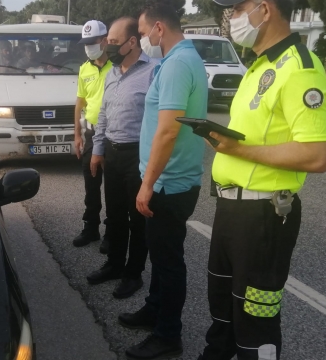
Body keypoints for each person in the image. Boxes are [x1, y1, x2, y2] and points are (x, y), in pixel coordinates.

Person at [199, 1, 326, 359]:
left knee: (255, 324)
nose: (233, 17)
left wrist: (237, 151)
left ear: (264, 8)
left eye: (238, 7)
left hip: (263, 217)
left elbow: (317, 155)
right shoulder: (260, 65)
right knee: (222, 313)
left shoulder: (300, 69)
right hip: (231, 210)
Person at [118, 2, 208, 359]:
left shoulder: (177, 65)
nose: (142, 40)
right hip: (169, 180)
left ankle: (168, 335)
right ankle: (154, 309)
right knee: (160, 254)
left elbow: (168, 131)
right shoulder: (181, 59)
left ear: (158, 28)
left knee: (169, 262)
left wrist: (147, 183)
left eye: (141, 34)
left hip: (168, 184)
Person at [87, 17, 157, 299]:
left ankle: (133, 274)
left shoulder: (154, 72)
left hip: (137, 155)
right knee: (114, 214)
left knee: (136, 218)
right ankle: (114, 264)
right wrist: (97, 149)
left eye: (113, 42)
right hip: (112, 154)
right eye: (107, 42)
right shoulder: (113, 73)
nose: (108, 47)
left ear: (132, 42)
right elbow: (103, 113)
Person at [71, 20, 112, 253]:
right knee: (91, 184)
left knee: (114, 188)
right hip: (92, 132)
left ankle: (112, 232)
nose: (88, 47)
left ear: (105, 41)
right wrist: (77, 133)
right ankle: (91, 227)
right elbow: (79, 103)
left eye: (92, 42)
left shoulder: (117, 67)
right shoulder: (84, 68)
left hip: (113, 135)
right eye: (85, 43)